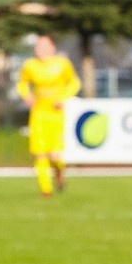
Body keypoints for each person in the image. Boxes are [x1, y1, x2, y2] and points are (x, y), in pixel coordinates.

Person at [16, 35, 81, 197]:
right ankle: (46, 190)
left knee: (54, 155)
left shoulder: (62, 64)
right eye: (38, 47)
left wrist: (63, 98)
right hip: (38, 112)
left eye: (44, 47)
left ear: (52, 48)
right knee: (39, 152)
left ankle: (59, 171)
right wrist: (27, 96)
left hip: (56, 113)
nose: (40, 50)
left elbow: (74, 83)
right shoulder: (30, 66)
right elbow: (22, 83)